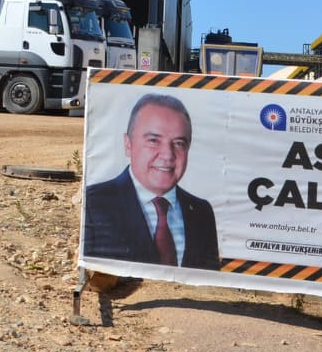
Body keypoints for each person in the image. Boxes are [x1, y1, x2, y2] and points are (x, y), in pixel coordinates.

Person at [83, 92, 220, 269]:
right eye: (154, 140)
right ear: (128, 144)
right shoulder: (94, 204)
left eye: (179, 143)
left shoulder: (201, 212)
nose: (167, 155)